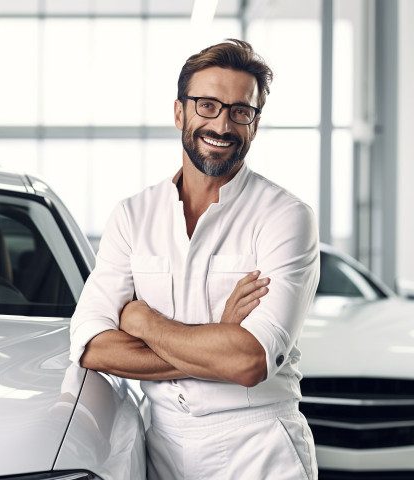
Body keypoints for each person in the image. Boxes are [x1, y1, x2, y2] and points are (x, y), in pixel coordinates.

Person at [70, 39, 320, 480]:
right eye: (207, 105)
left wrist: (143, 322)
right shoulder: (132, 216)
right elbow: (91, 345)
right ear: (179, 112)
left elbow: (248, 361)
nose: (222, 124)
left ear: (255, 124)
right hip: (161, 447)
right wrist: (219, 338)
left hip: (259, 451)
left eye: (240, 111)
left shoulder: (285, 217)